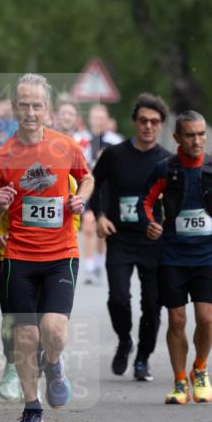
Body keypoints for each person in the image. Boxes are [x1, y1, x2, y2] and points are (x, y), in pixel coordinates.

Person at [0, 74, 94, 422]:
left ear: (48, 109)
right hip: (18, 257)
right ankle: (32, 408)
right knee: (25, 337)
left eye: (37, 105)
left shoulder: (65, 147)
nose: (30, 112)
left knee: (54, 330)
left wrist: (81, 199)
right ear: (15, 108)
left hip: (61, 253)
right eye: (24, 105)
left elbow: (86, 178)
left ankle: (55, 365)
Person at [143, 111, 212, 405]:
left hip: (207, 252)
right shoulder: (165, 168)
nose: (197, 140)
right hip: (172, 253)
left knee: (206, 317)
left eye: (201, 134)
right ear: (176, 138)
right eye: (190, 135)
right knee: (176, 319)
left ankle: (200, 368)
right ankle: (179, 381)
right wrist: (151, 223)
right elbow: (146, 202)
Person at [91, 94, 171, 383]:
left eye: (154, 122)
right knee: (119, 298)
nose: (148, 126)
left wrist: (162, 226)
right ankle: (124, 340)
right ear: (134, 122)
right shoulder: (115, 155)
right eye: (143, 121)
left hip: (153, 243)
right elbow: (94, 185)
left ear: (161, 125)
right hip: (120, 238)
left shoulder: (167, 160)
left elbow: (175, 203)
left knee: (152, 304)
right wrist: (100, 216)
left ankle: (142, 358)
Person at [82, 103, 123, 285]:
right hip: (88, 188)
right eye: (94, 118)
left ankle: (98, 263)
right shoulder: (83, 139)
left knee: (101, 229)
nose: (97, 121)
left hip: (107, 191)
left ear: (106, 120)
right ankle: (89, 268)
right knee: (88, 224)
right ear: (89, 120)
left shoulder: (114, 140)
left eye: (101, 118)